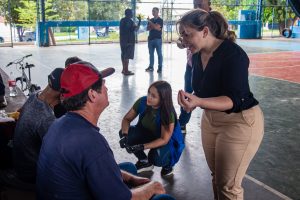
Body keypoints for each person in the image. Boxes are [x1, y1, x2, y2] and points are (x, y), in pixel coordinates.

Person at [37, 62, 171, 199]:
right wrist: (151, 188)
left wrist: (129, 178)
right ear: (92, 94)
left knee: (129, 169)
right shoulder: (91, 142)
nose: (106, 87)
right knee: (163, 198)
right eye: (102, 83)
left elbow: (89, 165)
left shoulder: (58, 123)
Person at [177, 9, 264, 200]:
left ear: (205, 31)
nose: (183, 40)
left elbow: (234, 99)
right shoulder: (197, 56)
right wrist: (191, 100)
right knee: (217, 179)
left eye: (187, 34)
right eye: (182, 35)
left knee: (228, 186)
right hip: (211, 120)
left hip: (239, 122)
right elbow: (202, 90)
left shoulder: (233, 55)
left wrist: (199, 101)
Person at [0, 68, 63, 191]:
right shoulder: (46, 119)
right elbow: (59, 155)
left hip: (19, 161)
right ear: (62, 92)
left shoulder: (35, 96)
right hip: (30, 174)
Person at [120, 81, 184, 176]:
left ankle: (167, 165)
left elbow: (164, 139)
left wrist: (142, 146)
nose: (149, 97)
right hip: (149, 134)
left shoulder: (167, 113)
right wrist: (125, 135)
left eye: (153, 96)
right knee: (126, 134)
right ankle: (144, 161)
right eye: (149, 93)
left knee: (156, 158)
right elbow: (127, 119)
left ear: (162, 99)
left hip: (166, 142)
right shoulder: (142, 101)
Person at [177, 0, 211, 134]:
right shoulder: (189, 19)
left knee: (206, 95)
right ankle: (182, 122)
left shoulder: (215, 21)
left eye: (200, 3)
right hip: (191, 65)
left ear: (208, 4)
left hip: (207, 66)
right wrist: (183, 41)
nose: (197, 6)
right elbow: (180, 41)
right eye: (195, 3)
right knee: (187, 94)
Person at [120, 8, 141, 76]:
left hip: (123, 41)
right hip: (128, 41)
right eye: (131, 13)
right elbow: (136, 29)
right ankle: (126, 71)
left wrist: (139, 22)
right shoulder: (129, 21)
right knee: (126, 56)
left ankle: (124, 69)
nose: (132, 14)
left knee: (123, 55)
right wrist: (139, 21)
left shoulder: (122, 20)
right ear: (128, 14)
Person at [145, 7, 163, 73]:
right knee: (151, 54)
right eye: (152, 11)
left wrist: (150, 23)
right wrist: (154, 26)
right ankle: (151, 67)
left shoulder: (160, 20)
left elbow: (158, 28)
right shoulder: (151, 19)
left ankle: (160, 67)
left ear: (158, 12)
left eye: (154, 11)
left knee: (159, 54)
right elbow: (147, 28)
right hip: (150, 39)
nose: (153, 12)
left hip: (158, 39)